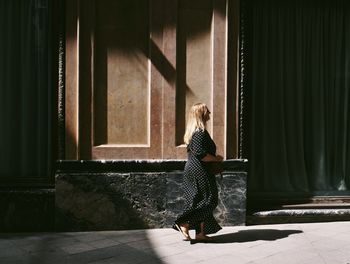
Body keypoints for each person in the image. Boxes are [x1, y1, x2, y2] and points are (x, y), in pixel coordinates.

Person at [173, 103, 223, 242]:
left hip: (196, 169)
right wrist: (217, 159)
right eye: (207, 111)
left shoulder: (197, 132)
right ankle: (184, 222)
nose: (210, 113)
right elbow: (202, 155)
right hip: (199, 170)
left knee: (199, 200)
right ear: (201, 114)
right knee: (210, 199)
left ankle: (200, 233)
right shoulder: (199, 133)